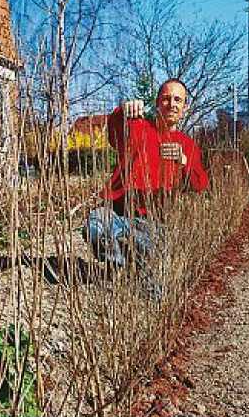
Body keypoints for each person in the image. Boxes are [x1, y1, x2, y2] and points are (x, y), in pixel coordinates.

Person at [86, 76, 209, 273]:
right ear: (157, 103)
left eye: (178, 100)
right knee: (94, 226)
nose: (172, 104)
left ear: (185, 107)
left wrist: (184, 161)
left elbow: (200, 183)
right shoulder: (139, 128)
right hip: (116, 212)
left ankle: (131, 268)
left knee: (148, 267)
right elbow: (114, 130)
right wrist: (124, 110)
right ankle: (119, 266)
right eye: (166, 98)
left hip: (152, 223)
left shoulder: (187, 145)